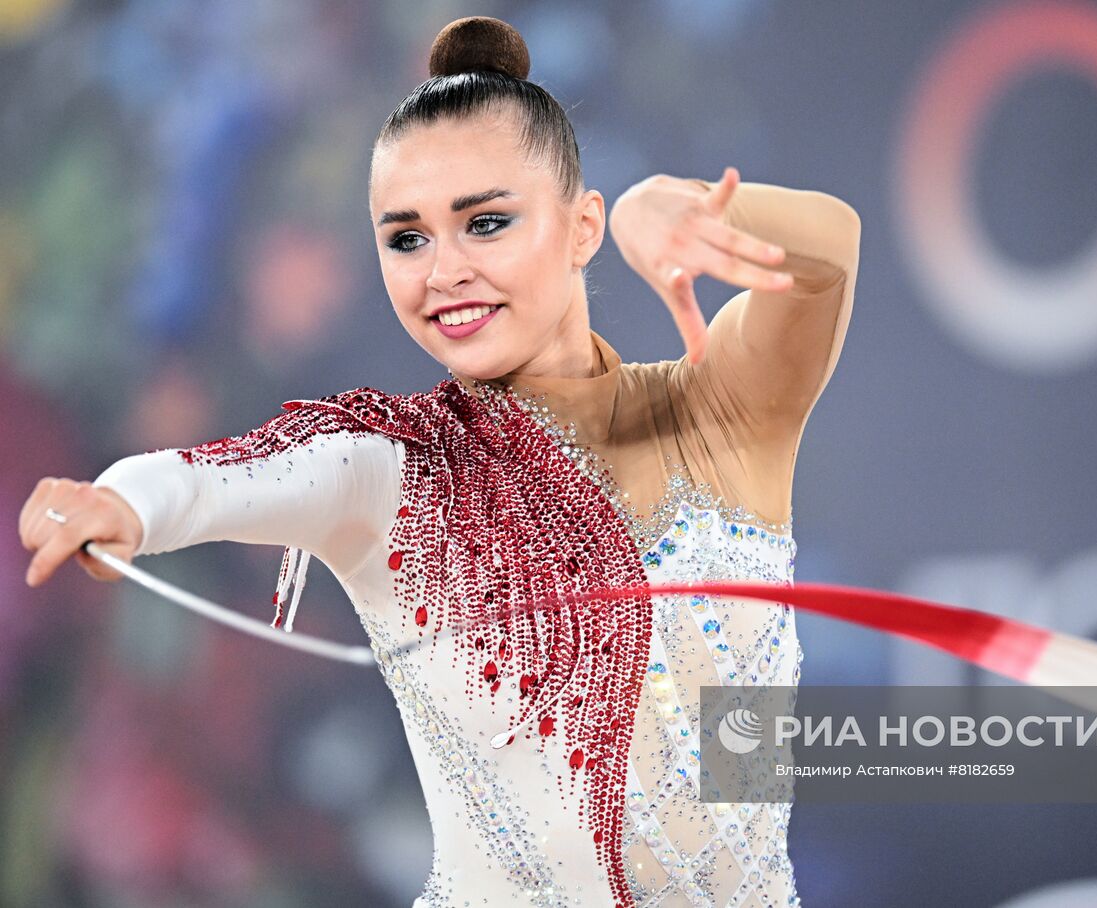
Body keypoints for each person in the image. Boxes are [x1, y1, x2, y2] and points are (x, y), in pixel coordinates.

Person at [17, 15, 860, 907]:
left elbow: (830, 257)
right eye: (406, 238)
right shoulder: (391, 466)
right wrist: (115, 501)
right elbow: (204, 479)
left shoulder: (719, 410)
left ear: (583, 227)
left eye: (485, 222)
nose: (443, 270)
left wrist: (687, 202)